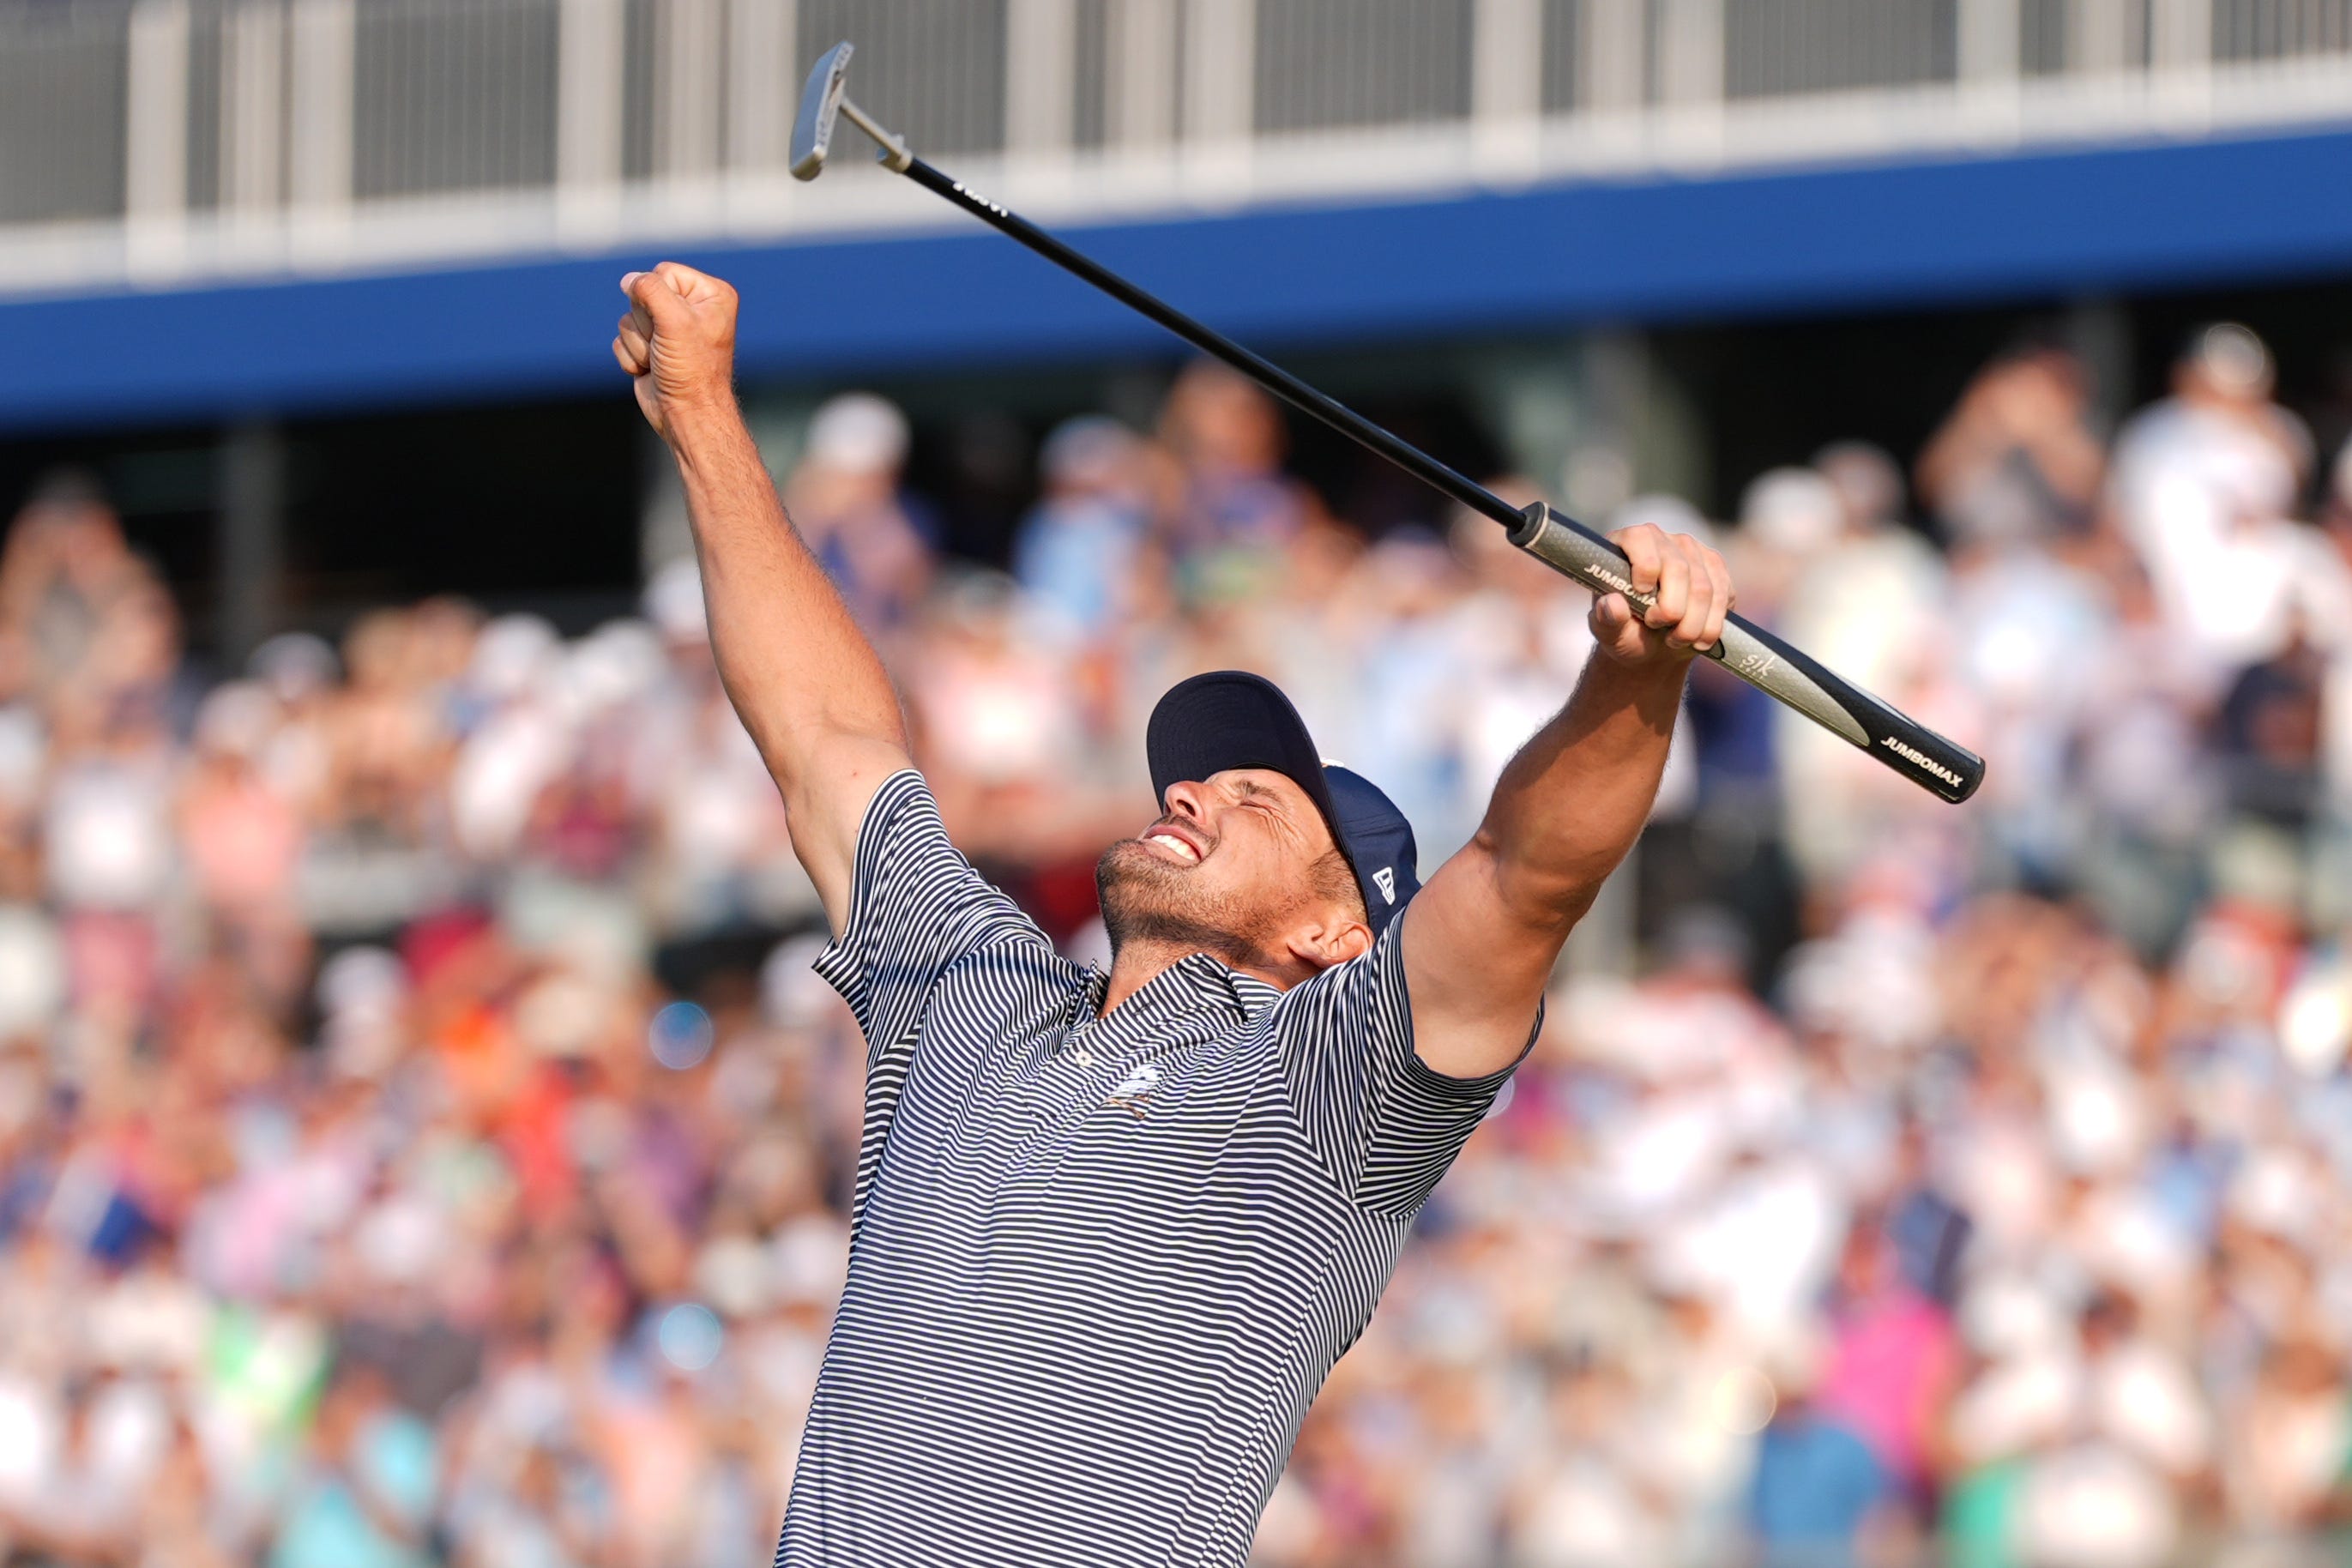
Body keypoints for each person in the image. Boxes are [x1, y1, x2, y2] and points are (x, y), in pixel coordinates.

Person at [611, 262, 1735, 1568]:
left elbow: (1526, 874)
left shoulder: (1331, 1087)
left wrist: (1629, 679)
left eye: (1258, 801)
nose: (1192, 791)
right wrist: (698, 407)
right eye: (1200, 778)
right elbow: (830, 740)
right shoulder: (974, 996)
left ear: (1335, 935)